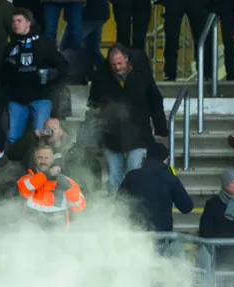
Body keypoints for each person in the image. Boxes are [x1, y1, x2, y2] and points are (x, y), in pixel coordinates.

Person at [88, 45, 166, 192]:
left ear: (126, 59)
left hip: (138, 135)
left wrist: (161, 130)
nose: (117, 68)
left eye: (120, 64)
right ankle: (115, 212)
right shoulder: (100, 78)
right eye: (113, 65)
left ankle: (135, 211)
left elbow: (155, 103)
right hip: (111, 136)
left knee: (135, 175)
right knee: (114, 178)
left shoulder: (143, 76)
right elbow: (93, 107)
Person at [2, 9, 67, 144]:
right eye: (13, 21)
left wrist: (52, 76)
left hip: (41, 98)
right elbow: (3, 74)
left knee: (42, 138)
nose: (15, 24)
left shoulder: (44, 44)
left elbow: (64, 65)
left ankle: (37, 164)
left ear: (28, 23)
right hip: (17, 100)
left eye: (19, 21)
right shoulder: (11, 47)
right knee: (12, 139)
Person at [119, 148, 195, 232]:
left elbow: (118, 202)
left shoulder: (131, 176)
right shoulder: (170, 179)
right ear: (165, 160)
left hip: (136, 236)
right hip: (162, 236)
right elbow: (187, 207)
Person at [17, 145, 87, 225]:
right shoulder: (27, 178)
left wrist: (70, 189)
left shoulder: (66, 181)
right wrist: (47, 174)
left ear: (52, 159)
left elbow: (79, 206)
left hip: (58, 226)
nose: (43, 161)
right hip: (32, 226)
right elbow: (24, 189)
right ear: (35, 160)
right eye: (40, 158)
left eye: (46, 158)